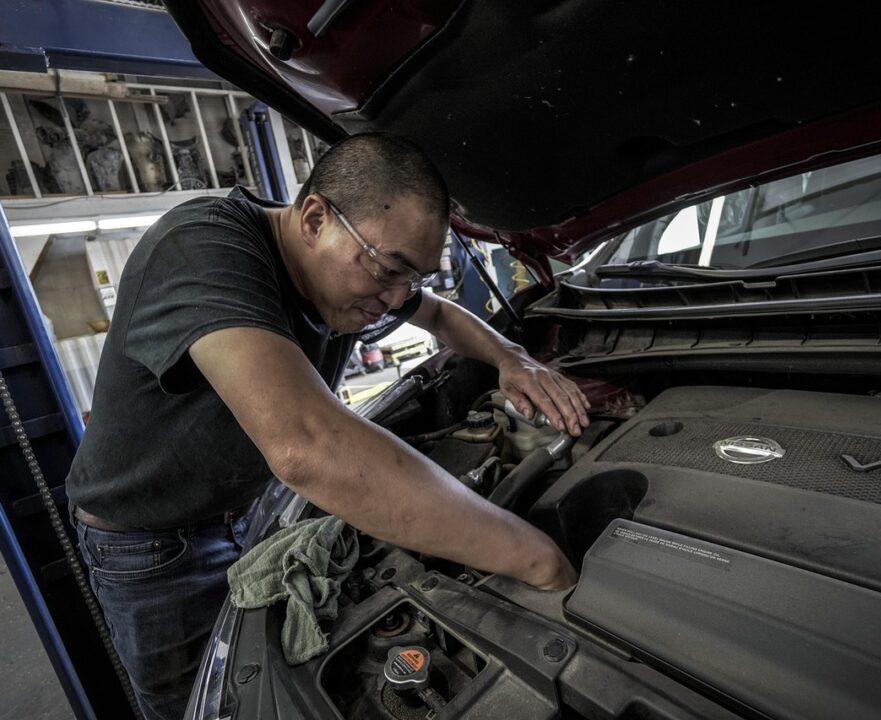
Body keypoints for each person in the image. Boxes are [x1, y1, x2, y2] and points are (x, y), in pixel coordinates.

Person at [65, 132, 587, 720]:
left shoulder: (346, 263)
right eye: (389, 271)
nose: (394, 301)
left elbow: (438, 312)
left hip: (251, 509)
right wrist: (534, 559)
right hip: (154, 546)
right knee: (202, 708)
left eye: (411, 279)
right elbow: (307, 447)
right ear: (315, 217)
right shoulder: (202, 250)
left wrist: (509, 357)